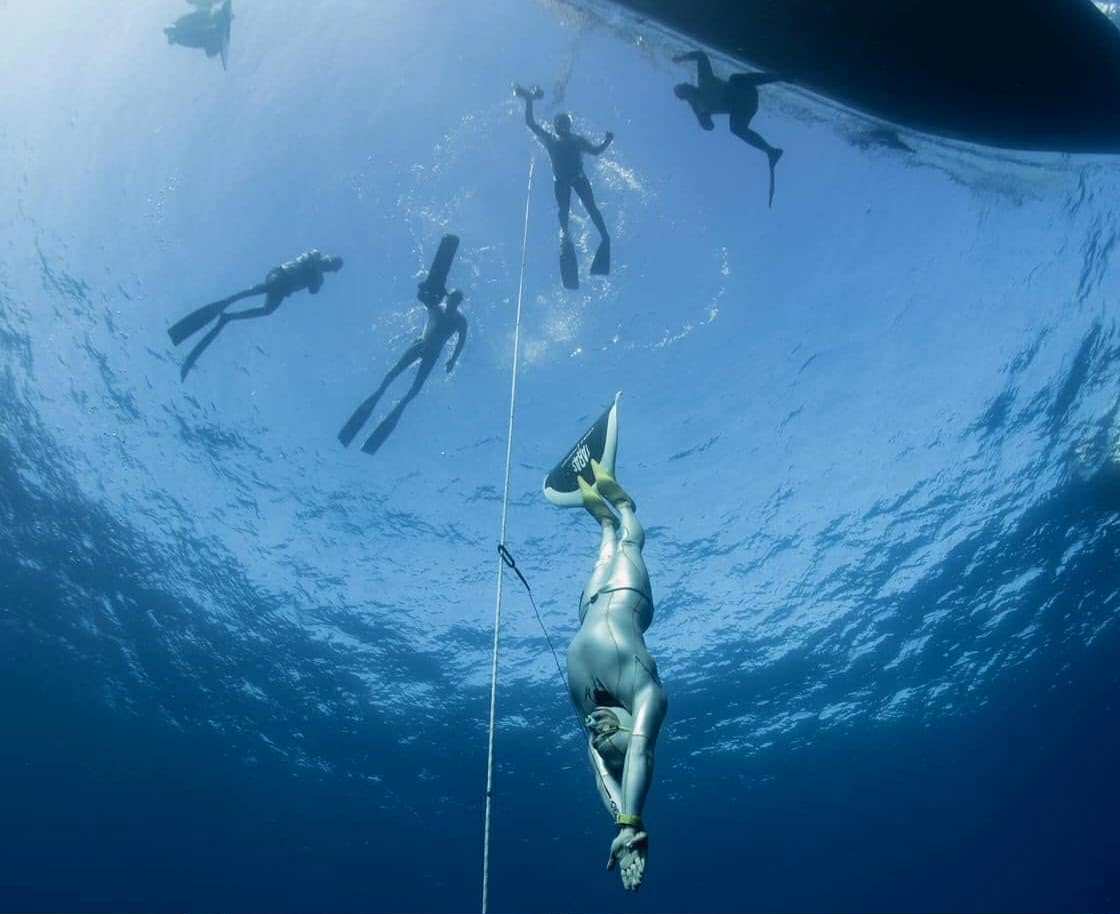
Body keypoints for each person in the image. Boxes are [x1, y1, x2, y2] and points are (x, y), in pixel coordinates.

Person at [563, 457, 668, 892]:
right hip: (627, 596)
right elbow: (640, 755)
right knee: (630, 546)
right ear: (630, 725)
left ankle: (604, 521)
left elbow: (602, 774)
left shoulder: (585, 711)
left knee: (606, 550)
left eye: (599, 742)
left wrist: (620, 827)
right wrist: (632, 820)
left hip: (588, 605)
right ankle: (625, 506)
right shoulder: (647, 694)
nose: (599, 735)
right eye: (613, 740)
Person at [337, 278, 467, 456]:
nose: (451, 303)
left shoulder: (460, 321)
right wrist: (424, 286)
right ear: (448, 298)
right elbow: (422, 297)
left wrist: (453, 360)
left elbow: (461, 342)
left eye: (455, 301)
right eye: (450, 299)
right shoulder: (437, 308)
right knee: (392, 374)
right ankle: (378, 395)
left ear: (458, 302)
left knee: (414, 391)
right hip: (419, 345)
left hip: (432, 356)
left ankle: (399, 408)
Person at [168, 249, 343, 380]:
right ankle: (233, 299)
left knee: (267, 311)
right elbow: (309, 262)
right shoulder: (316, 254)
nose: (329, 266)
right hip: (280, 275)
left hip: (284, 290)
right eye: (331, 262)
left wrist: (319, 272)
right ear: (329, 257)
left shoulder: (320, 277)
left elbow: (314, 290)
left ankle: (228, 317)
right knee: (268, 287)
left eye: (332, 267)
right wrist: (318, 267)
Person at [514, 83, 613, 286]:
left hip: (579, 178)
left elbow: (595, 152)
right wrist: (529, 101)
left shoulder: (577, 140)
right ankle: (566, 237)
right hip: (561, 182)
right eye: (561, 124)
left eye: (566, 123)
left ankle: (605, 237)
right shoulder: (550, 139)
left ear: (569, 125)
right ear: (556, 125)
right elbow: (530, 123)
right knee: (564, 210)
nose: (564, 127)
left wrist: (607, 141)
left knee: (591, 207)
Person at [673, 50, 785, 206]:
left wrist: (681, 57)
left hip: (746, 91)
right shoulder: (700, 107)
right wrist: (694, 106)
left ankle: (780, 76)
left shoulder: (704, 79)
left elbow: (701, 55)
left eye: (684, 85)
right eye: (684, 89)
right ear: (686, 97)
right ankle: (771, 151)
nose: (687, 86)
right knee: (735, 129)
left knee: (735, 78)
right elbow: (708, 127)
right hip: (744, 110)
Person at [164, 0, 233, 69]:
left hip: (211, 25)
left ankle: (216, 27)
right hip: (210, 34)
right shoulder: (180, 37)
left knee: (202, 25)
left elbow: (195, 18)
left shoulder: (180, 25)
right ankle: (215, 35)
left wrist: (211, 16)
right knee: (204, 36)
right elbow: (195, 41)